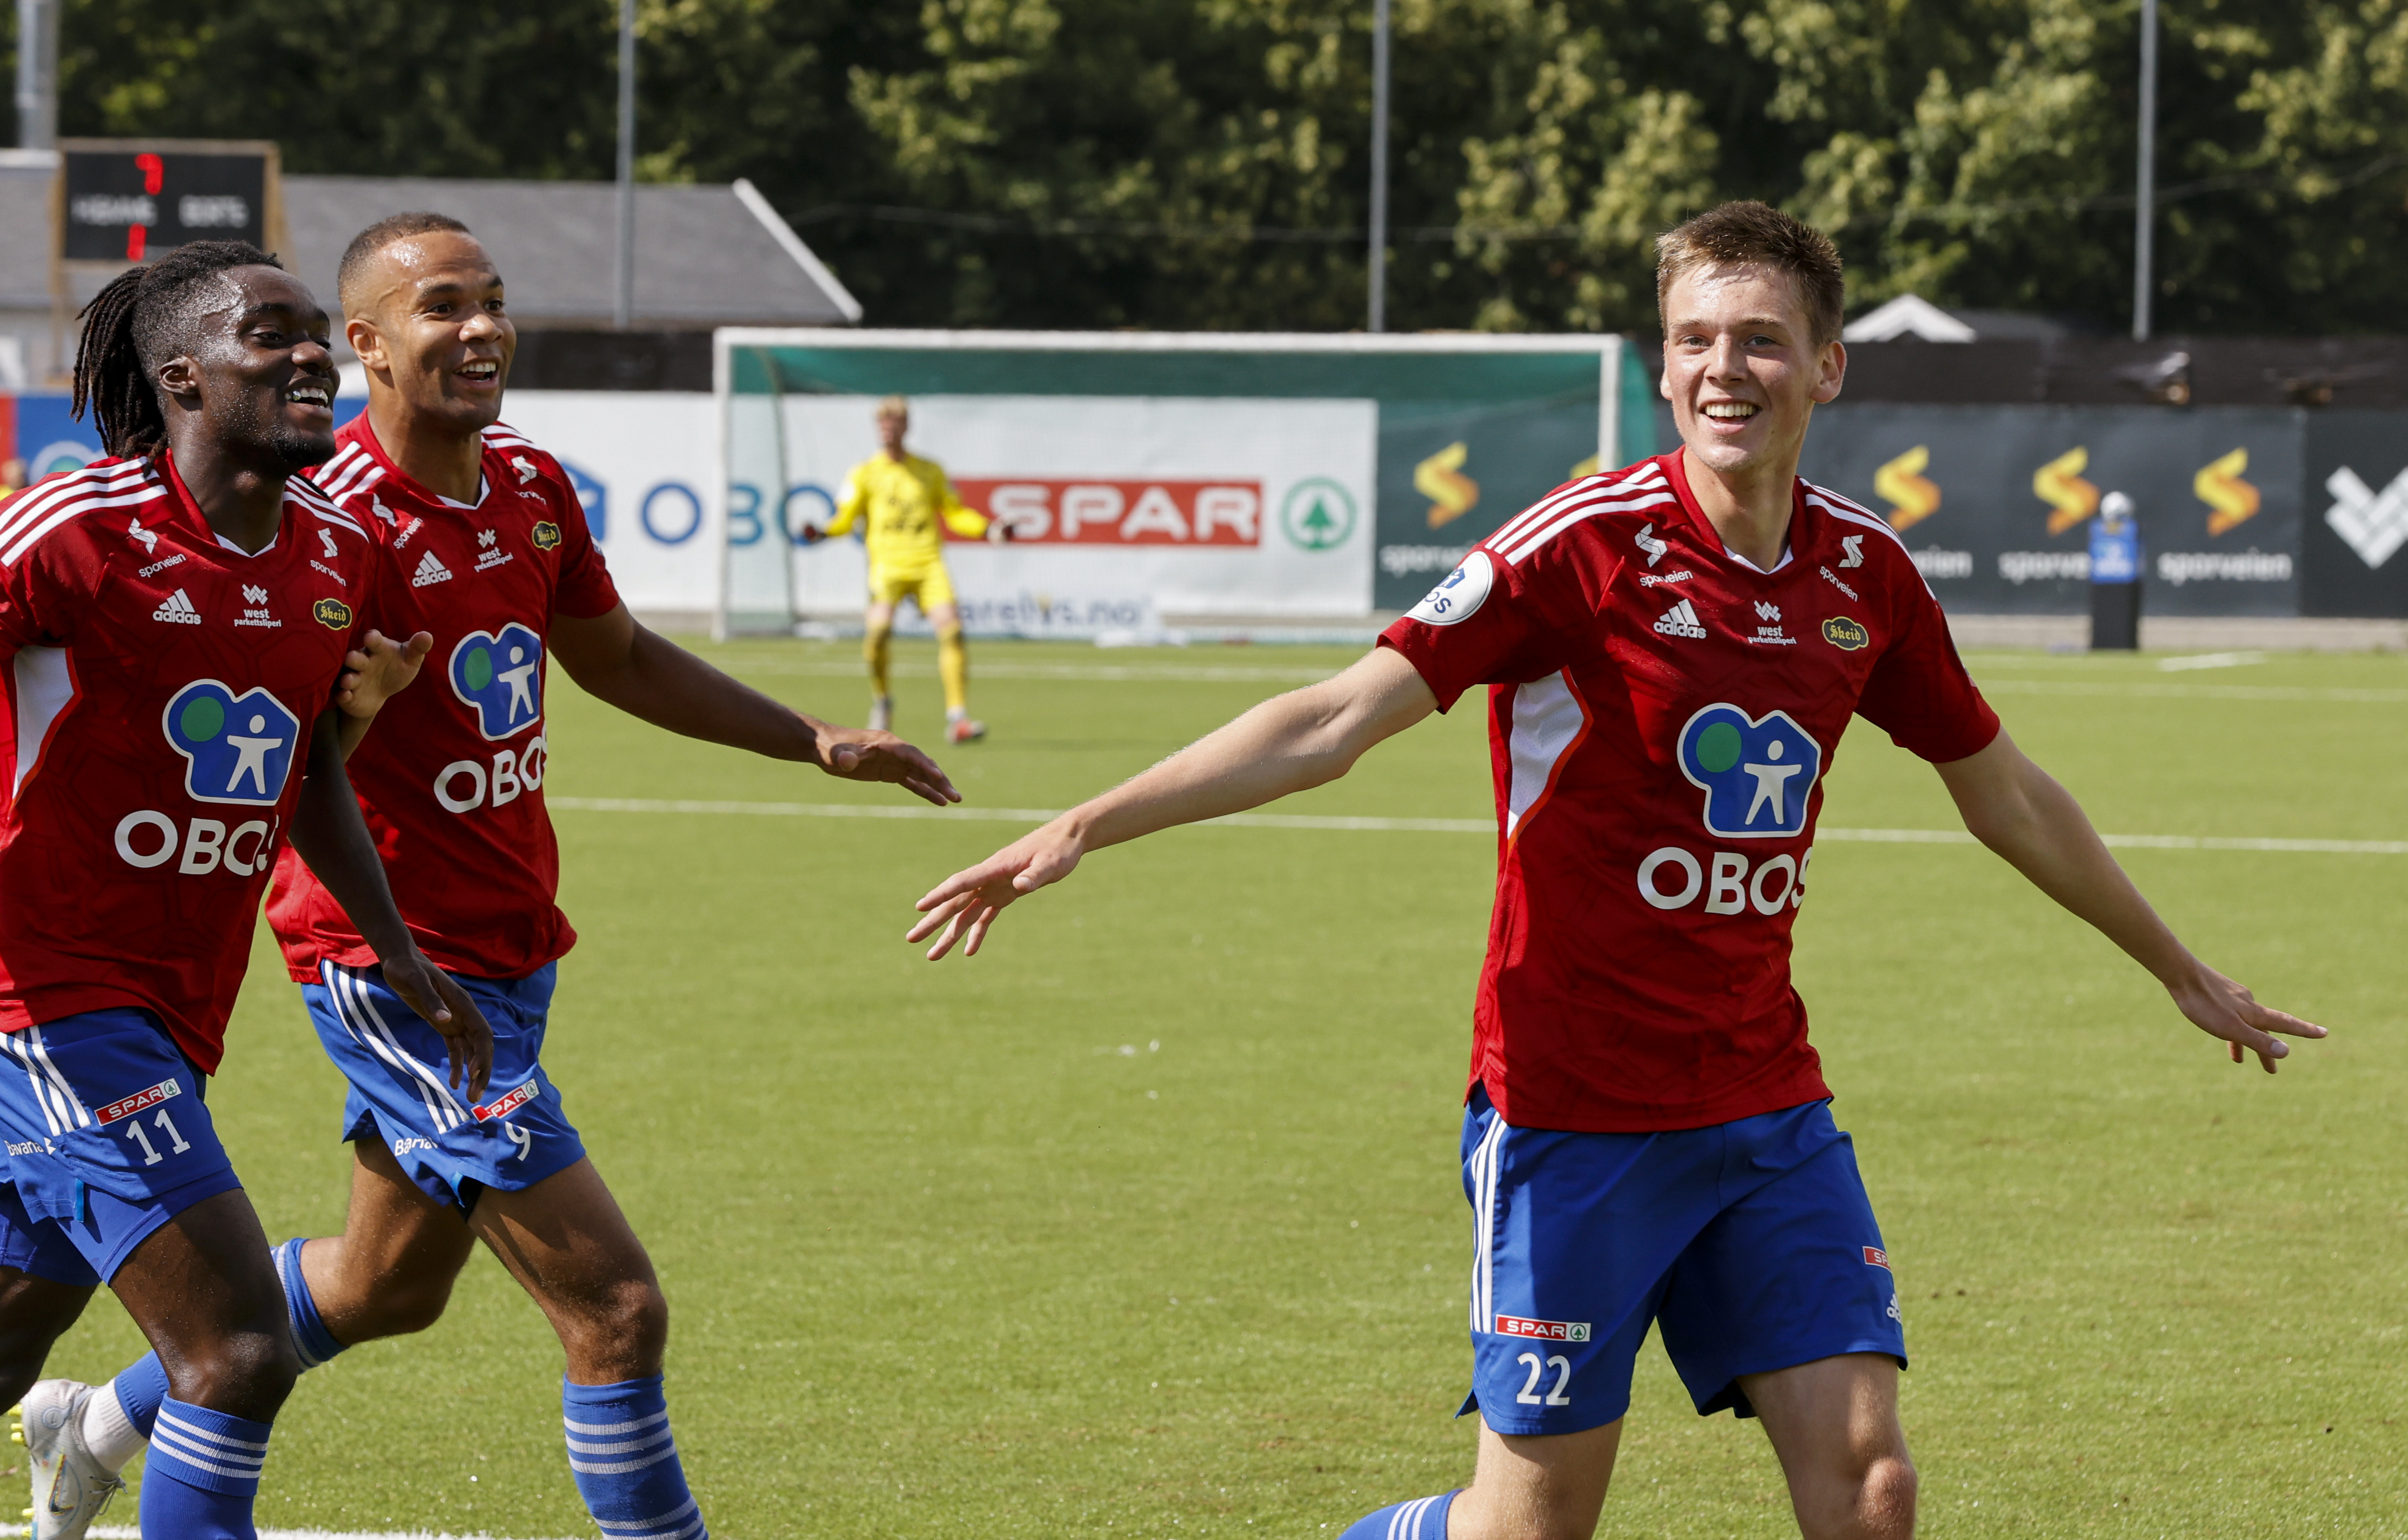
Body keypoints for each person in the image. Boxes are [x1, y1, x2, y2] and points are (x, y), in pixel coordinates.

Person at [904, 203, 2326, 1540]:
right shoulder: (1580, 548)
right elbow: (1336, 719)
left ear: (1826, 366)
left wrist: (2176, 966)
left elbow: (2004, 791)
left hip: (1764, 1102)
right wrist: (1083, 822)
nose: (1726, 367)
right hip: (1569, 1114)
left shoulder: (1866, 576)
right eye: (1698, 340)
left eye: (1761, 338)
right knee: (1529, 1525)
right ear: (1665, 367)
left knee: (1872, 1484)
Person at [25, 212, 959, 1540]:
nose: (482, 329)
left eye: (494, 301)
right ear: (370, 346)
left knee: (384, 1286)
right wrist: (368, 765)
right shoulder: (320, 514)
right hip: (380, 960)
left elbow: (618, 657)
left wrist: (810, 740)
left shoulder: (524, 479)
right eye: (443, 306)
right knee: (614, 1306)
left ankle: (99, 1421)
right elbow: (281, 763)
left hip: (509, 945)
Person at [0, 240, 492, 1540]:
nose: (311, 354)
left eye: (313, 332)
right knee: (235, 1349)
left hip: (174, 1005)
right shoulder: (79, 530)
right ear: (181, 376)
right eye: (268, 336)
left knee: (10, 1340)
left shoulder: (336, 555)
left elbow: (308, 768)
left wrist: (395, 948)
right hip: (44, 999)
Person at [813, 394, 1004, 743]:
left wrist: (987, 529)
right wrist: (823, 531)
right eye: (883, 424)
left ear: (906, 427)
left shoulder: (929, 470)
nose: (889, 430)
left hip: (928, 564)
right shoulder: (865, 473)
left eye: (895, 423)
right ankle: (883, 701)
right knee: (878, 634)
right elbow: (845, 519)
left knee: (952, 632)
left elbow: (955, 513)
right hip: (887, 568)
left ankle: (958, 718)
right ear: (877, 429)